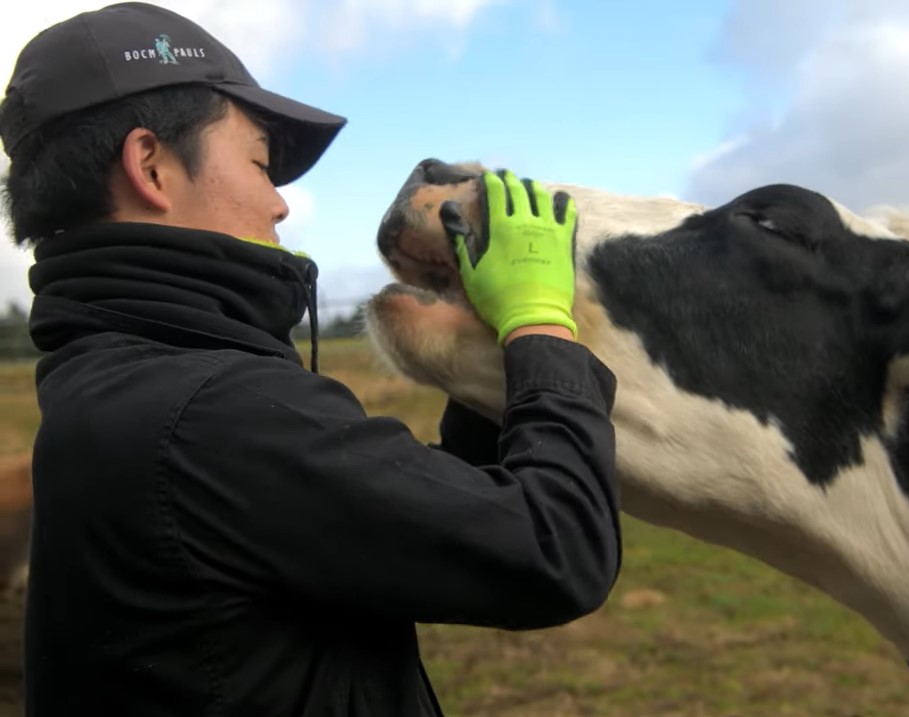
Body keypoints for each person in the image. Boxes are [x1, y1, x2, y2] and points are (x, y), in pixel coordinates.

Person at [0, 3, 622, 715]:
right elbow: (551, 548)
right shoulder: (209, 413)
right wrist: (541, 322)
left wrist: (473, 347)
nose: (280, 204)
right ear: (151, 165)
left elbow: (417, 516)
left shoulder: (114, 384)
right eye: (261, 164)